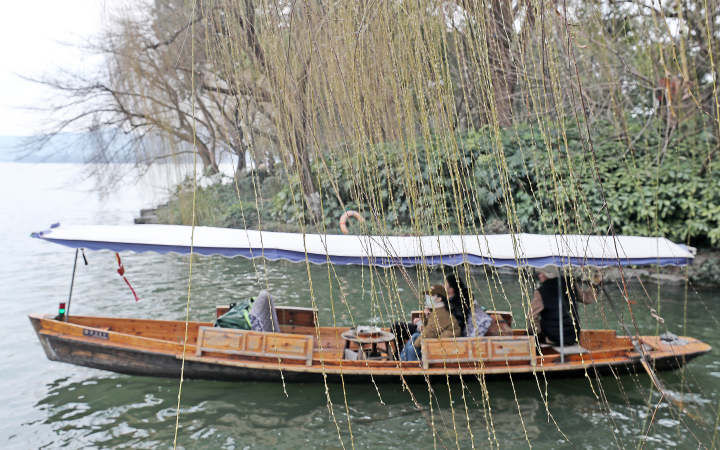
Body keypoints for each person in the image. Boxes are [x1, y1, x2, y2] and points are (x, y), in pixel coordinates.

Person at [530, 268, 600, 346]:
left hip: (553, 338)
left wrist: (537, 335)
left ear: (550, 274)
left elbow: (531, 317)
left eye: (542, 273)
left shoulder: (540, 292)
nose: (539, 275)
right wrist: (595, 286)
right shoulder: (570, 283)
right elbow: (587, 299)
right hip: (574, 335)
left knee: (535, 324)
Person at [400, 285, 460, 361]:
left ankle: (410, 365)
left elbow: (429, 332)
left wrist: (415, 344)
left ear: (439, 299)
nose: (427, 297)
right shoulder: (437, 311)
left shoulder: (441, 314)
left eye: (431, 295)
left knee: (412, 349)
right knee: (415, 336)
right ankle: (402, 360)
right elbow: (428, 328)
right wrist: (425, 316)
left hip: (443, 346)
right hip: (437, 341)